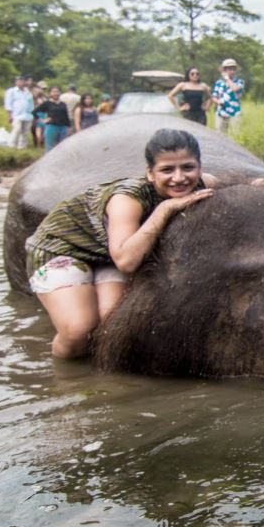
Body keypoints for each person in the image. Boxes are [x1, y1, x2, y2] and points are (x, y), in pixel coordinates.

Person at [24, 128, 216, 359]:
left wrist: (255, 184)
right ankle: (64, 379)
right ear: (150, 173)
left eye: (187, 167)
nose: (179, 178)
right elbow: (126, 262)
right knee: (79, 330)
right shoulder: (127, 199)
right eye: (167, 170)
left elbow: (225, 182)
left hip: (109, 253)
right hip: (63, 250)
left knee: (113, 325)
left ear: (199, 167)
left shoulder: (201, 183)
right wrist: (163, 210)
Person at [211, 58, 245, 134]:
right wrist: (218, 101)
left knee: (235, 133)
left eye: (233, 69)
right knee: (220, 134)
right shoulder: (219, 83)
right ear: (224, 70)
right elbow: (214, 96)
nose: (232, 71)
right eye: (229, 69)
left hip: (234, 111)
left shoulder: (240, 82)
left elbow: (235, 89)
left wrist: (227, 79)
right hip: (221, 111)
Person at [35, 86, 74, 151]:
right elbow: (34, 112)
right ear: (50, 93)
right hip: (52, 127)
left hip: (63, 128)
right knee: (50, 147)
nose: (56, 93)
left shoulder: (63, 104)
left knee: (63, 147)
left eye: (57, 91)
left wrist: (69, 127)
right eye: (53, 92)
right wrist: (42, 120)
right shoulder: (47, 103)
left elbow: (66, 116)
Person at [4, 75, 34, 150]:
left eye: (22, 81)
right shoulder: (11, 91)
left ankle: (22, 147)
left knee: (25, 132)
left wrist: (31, 113)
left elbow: (31, 103)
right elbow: (8, 103)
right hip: (17, 115)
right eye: (19, 81)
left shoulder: (28, 92)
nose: (21, 83)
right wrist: (10, 115)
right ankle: (11, 146)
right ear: (16, 82)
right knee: (17, 130)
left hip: (27, 115)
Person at [31, 80, 49, 147]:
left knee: (43, 129)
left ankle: (41, 142)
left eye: (44, 89)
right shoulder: (34, 97)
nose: (42, 90)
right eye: (41, 88)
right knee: (36, 128)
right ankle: (37, 143)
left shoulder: (45, 97)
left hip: (44, 114)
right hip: (36, 114)